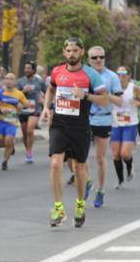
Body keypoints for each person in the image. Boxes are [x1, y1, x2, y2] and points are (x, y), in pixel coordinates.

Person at [40, 37, 108, 228]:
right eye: (68, 51)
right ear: (64, 52)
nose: (71, 54)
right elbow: (51, 89)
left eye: (75, 51)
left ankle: (79, 204)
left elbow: (104, 100)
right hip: (59, 124)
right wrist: (46, 108)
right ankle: (59, 209)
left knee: (79, 168)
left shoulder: (91, 74)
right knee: (55, 164)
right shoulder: (57, 71)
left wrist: (85, 95)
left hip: (80, 126)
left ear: (82, 52)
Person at [85, 46, 122, 208]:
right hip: (85, 119)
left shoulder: (112, 76)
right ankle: (88, 180)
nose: (98, 60)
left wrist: (107, 95)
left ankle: (100, 190)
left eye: (101, 57)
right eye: (94, 57)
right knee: (78, 156)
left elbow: (120, 101)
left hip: (103, 119)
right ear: (89, 60)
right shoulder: (83, 74)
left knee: (100, 158)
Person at [111, 66, 140, 189]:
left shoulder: (134, 88)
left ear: (129, 75)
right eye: (118, 73)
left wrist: (137, 103)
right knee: (116, 154)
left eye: (124, 73)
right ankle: (120, 181)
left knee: (124, 153)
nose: (121, 76)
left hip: (130, 124)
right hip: (116, 123)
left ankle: (130, 166)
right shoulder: (112, 88)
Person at [0, 72, 27, 171]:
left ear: (15, 81)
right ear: (4, 80)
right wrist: (0, 108)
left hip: (12, 122)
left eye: (11, 79)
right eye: (7, 78)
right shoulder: (0, 93)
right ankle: (11, 147)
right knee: (0, 144)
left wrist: (21, 106)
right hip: (1, 121)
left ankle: (5, 161)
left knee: (8, 140)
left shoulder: (19, 94)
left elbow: (26, 104)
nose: (9, 81)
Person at [16, 61, 46, 164]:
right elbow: (15, 95)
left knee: (30, 130)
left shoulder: (39, 81)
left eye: (28, 68)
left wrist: (43, 100)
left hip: (35, 109)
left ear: (33, 70)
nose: (26, 70)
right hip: (23, 110)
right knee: (25, 134)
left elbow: (47, 92)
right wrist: (23, 91)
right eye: (25, 68)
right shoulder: (20, 81)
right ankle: (28, 151)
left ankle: (29, 151)